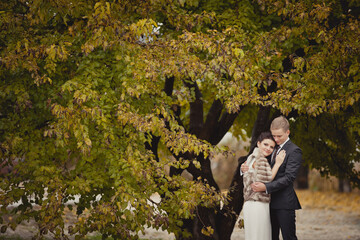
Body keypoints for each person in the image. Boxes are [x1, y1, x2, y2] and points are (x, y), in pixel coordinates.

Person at [247, 116, 302, 240]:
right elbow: (256, 158)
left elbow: (288, 178)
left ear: (287, 132)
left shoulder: (294, 151)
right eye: (274, 135)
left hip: (284, 203)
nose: (276, 139)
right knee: (271, 237)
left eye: (279, 136)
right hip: (267, 203)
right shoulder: (270, 147)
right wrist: (245, 168)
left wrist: (265, 187)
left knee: (289, 237)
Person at [242, 131, 286, 240]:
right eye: (265, 144)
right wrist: (278, 163)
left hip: (251, 203)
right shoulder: (260, 158)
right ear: (258, 143)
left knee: (253, 236)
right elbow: (267, 180)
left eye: (271, 147)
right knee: (260, 236)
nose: (268, 148)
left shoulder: (251, 157)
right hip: (257, 204)